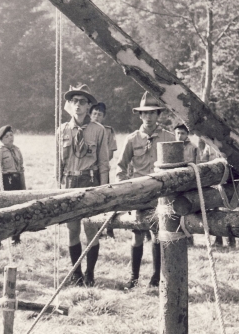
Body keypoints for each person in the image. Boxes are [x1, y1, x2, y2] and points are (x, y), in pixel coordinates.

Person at [117, 93, 176, 289]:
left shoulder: (168, 137)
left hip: (160, 195)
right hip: (138, 195)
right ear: (140, 116)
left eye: (152, 113)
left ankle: (156, 278)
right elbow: (120, 166)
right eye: (145, 113)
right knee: (137, 235)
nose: (149, 117)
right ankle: (133, 278)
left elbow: (178, 166)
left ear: (158, 114)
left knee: (159, 234)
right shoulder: (132, 139)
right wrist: (125, 190)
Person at [57, 84, 109, 286]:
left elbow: (104, 163)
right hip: (70, 181)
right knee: (72, 229)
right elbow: (58, 165)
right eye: (74, 101)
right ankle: (76, 273)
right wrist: (58, 189)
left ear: (89, 106)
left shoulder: (98, 130)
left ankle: (90, 273)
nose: (77, 105)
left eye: (82, 102)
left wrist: (104, 191)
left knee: (91, 229)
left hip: (90, 181)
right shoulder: (62, 130)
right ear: (70, 105)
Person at [0, 125, 25, 248]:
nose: (10, 138)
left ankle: (16, 238)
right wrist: (0, 187)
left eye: (11, 135)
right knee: (6, 211)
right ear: (1, 139)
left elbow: (21, 169)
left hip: (17, 180)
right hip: (7, 180)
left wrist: (23, 187)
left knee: (18, 210)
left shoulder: (17, 150)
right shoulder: (0, 151)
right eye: (6, 136)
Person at [89, 102, 117, 238]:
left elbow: (110, 153)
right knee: (93, 200)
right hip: (90, 172)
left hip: (103, 170)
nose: (96, 116)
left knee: (107, 199)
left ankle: (109, 228)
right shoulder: (87, 129)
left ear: (104, 117)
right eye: (94, 113)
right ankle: (96, 229)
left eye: (99, 114)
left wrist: (102, 162)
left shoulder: (108, 131)